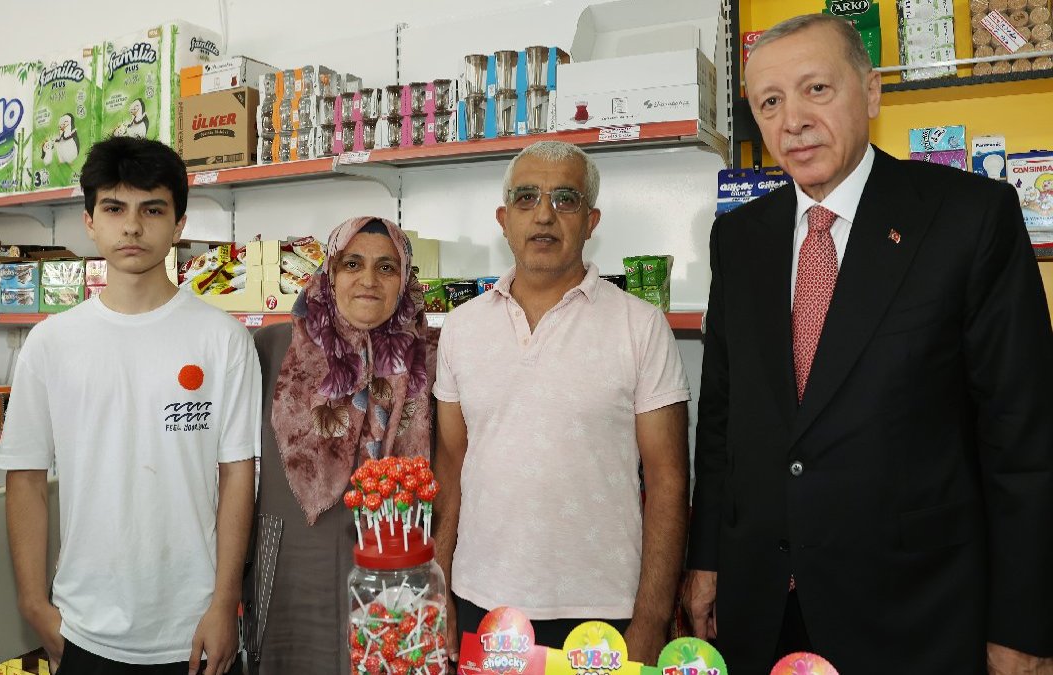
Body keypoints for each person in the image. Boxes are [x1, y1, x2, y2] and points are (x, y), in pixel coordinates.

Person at [684, 13, 1053, 674]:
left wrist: (1022, 627)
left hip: (915, 614)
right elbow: (721, 420)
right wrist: (706, 560)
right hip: (764, 607)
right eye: (770, 103)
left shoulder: (969, 217)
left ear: (872, 91)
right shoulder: (738, 239)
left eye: (816, 89)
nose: (793, 121)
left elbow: (1024, 441)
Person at [0, 136, 258, 675]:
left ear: (179, 224)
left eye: (152, 210)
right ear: (89, 221)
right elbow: (25, 478)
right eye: (115, 208)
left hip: (194, 629)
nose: (132, 227)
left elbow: (238, 476)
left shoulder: (223, 339)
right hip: (83, 625)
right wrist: (33, 604)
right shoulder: (51, 343)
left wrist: (224, 603)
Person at [433, 140, 691, 664]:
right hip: (482, 601)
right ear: (504, 219)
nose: (544, 215)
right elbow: (453, 466)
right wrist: (439, 590)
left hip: (604, 614)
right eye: (526, 198)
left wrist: (651, 618)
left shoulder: (640, 327)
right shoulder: (460, 329)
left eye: (565, 199)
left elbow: (668, 480)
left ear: (591, 220)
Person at [245, 217, 435, 673]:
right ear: (329, 272)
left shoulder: (429, 357)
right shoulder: (270, 348)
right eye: (352, 264)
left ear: (405, 279)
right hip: (289, 558)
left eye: (387, 267)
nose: (369, 280)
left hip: (390, 558)